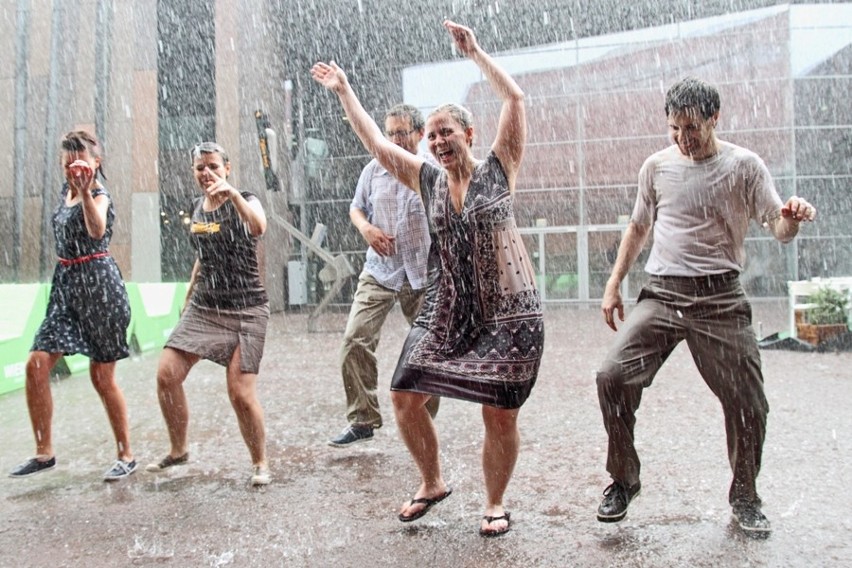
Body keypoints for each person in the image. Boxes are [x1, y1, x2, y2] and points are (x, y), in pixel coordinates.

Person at [312, 20, 544, 537]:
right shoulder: (428, 178)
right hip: (450, 306)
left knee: (498, 413)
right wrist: (345, 90)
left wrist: (476, 54)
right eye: (432, 134)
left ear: (469, 134)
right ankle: (432, 481)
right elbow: (375, 143)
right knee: (403, 394)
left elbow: (517, 99)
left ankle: (494, 503)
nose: (439, 140)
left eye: (448, 132)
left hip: (508, 310)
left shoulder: (499, 168)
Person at [595, 77, 817, 536]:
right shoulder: (656, 166)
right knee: (611, 375)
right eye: (675, 128)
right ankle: (623, 479)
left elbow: (776, 225)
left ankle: (745, 496)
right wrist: (614, 283)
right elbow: (638, 228)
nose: (683, 138)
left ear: (715, 118)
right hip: (663, 292)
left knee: (749, 403)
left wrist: (791, 219)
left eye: (692, 127)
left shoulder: (744, 166)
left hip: (720, 298)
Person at [9, 130, 136, 482]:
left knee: (101, 377)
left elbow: (96, 232)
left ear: (97, 161)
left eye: (80, 152)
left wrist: (84, 192)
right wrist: (74, 191)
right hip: (66, 287)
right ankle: (43, 452)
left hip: (99, 289)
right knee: (37, 365)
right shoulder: (63, 193)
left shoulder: (98, 194)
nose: (73, 158)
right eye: (68, 153)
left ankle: (126, 453)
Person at [146, 142, 272, 486]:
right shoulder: (195, 209)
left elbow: (259, 226)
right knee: (166, 374)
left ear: (227, 168)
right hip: (205, 305)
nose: (207, 173)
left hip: (247, 308)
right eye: (200, 168)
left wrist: (232, 195)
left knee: (240, 393)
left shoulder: (245, 198)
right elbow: (204, 252)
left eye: (214, 166)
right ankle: (178, 449)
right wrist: (189, 288)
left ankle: (260, 462)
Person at [329, 104, 440, 448]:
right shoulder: (373, 171)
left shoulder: (433, 171)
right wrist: (365, 228)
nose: (394, 139)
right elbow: (356, 207)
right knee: (354, 340)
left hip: (424, 274)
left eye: (402, 132)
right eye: (389, 132)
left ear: (420, 134)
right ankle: (362, 419)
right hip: (381, 271)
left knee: (427, 352)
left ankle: (422, 420)